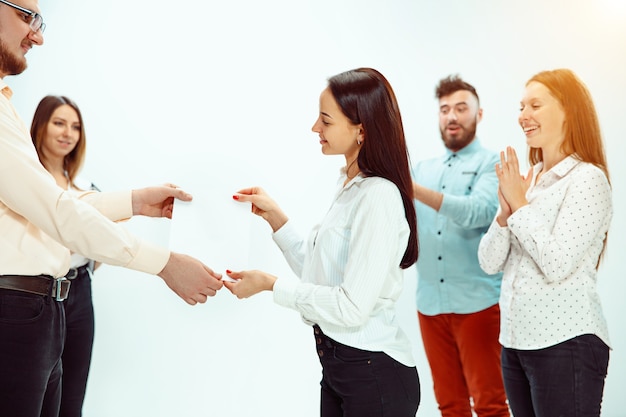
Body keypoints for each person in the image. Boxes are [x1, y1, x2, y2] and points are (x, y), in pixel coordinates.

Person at [0, 2, 223, 416]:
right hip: (16, 309)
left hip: (43, 310)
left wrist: (136, 202)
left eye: (40, 21)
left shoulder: (5, 106)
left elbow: (56, 204)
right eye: (26, 16)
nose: (38, 35)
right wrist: (164, 263)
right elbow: (56, 209)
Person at [225, 67, 421, 417]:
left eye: (325, 120)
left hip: (374, 374)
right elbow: (322, 276)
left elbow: (350, 306)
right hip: (339, 368)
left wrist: (271, 286)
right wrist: (275, 218)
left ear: (361, 129)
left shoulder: (378, 196)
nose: (315, 128)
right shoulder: (349, 187)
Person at [478, 68, 612, 417]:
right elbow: (489, 262)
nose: (523, 116)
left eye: (535, 105)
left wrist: (518, 204)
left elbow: (556, 263)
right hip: (515, 344)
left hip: (566, 345)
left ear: (568, 110)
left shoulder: (587, 179)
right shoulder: (529, 180)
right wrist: (505, 213)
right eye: (521, 107)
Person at [411, 75, 509, 417]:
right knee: (449, 404)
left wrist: (413, 189)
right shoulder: (422, 168)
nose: (452, 117)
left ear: (479, 115)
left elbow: (477, 212)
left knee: (491, 403)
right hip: (430, 305)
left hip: (479, 305)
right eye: (445, 110)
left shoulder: (493, 163)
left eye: (461, 108)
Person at [31, 94, 104, 417]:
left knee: (72, 397)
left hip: (79, 290)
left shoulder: (87, 187)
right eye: (59, 123)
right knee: (35, 395)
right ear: (41, 127)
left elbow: (98, 249)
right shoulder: (28, 182)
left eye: (75, 126)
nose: (67, 133)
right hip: (38, 293)